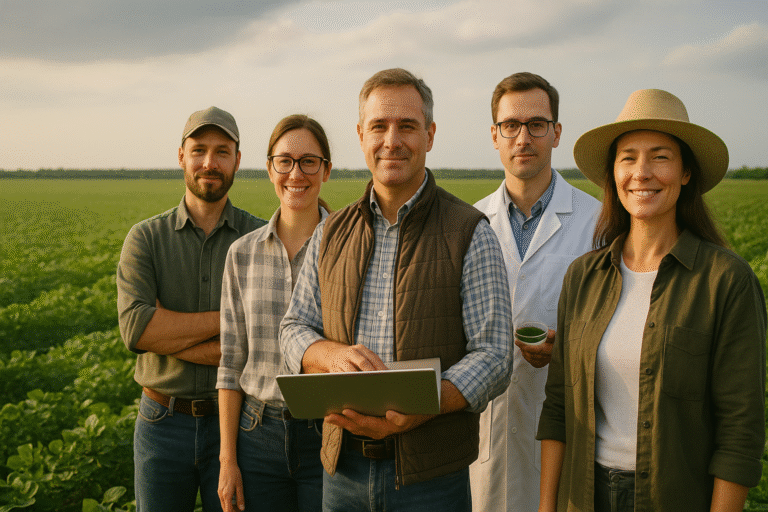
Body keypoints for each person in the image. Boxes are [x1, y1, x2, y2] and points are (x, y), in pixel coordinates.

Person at [279, 68, 513, 512]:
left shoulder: (469, 231)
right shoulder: (331, 232)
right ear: (361, 135)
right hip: (342, 471)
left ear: (429, 134)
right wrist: (330, 356)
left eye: (407, 126)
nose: (392, 140)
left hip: (431, 478)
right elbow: (294, 327)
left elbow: (496, 354)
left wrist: (426, 405)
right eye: (379, 127)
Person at [537, 89, 766, 512]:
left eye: (660, 156)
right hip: (584, 495)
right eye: (628, 157)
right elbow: (558, 409)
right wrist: (546, 506)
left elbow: (740, 431)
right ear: (614, 175)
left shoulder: (726, 281)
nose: (641, 172)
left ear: (685, 173)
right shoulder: (583, 278)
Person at [117, 106, 266, 511]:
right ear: (181, 156)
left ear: (237, 159)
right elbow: (138, 330)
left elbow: (265, 340)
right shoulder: (146, 239)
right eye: (199, 150)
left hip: (240, 425)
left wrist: (169, 336)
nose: (209, 163)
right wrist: (232, 322)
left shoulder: (260, 238)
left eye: (222, 152)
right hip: (162, 423)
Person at [469, 72, 600, 512]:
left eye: (537, 125)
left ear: (556, 133)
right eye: (510, 125)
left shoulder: (597, 223)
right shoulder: (467, 224)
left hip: (566, 424)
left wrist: (568, 347)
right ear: (495, 135)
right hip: (486, 427)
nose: (523, 137)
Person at [216, 114, 332, 512]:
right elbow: (230, 363)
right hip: (256, 435)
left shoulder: (349, 249)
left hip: (329, 433)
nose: (295, 173)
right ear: (270, 169)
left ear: (326, 171)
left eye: (308, 161)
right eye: (284, 161)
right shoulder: (242, 254)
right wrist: (228, 460)